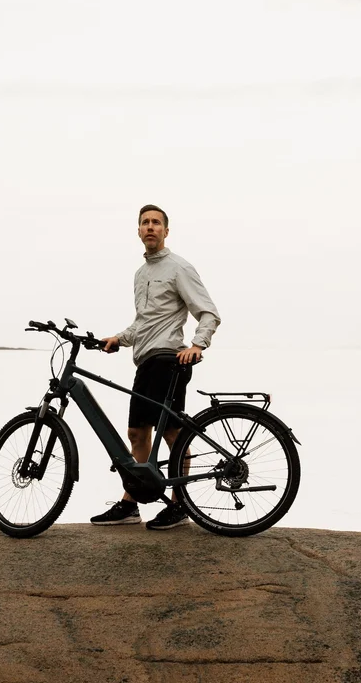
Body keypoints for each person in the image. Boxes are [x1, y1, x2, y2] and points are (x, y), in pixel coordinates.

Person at [91, 204, 221, 530]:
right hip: (146, 361)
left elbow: (208, 312)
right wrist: (119, 339)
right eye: (145, 222)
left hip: (169, 360)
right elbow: (143, 323)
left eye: (156, 223)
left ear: (166, 230)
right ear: (138, 231)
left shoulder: (179, 268)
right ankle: (130, 504)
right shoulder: (141, 274)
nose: (150, 227)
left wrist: (198, 344)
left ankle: (180, 505)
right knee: (137, 434)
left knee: (174, 435)